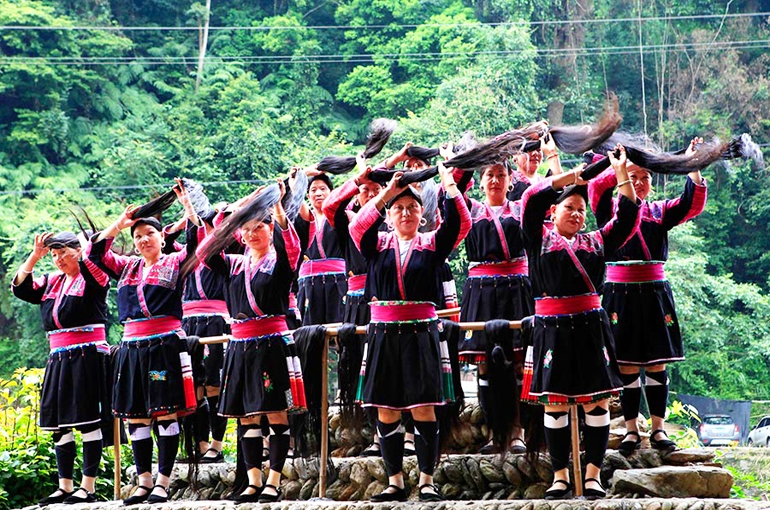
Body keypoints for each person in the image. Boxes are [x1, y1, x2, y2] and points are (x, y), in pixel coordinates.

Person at [350, 148, 471, 502]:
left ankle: (428, 481)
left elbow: (460, 223)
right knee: (386, 409)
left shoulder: (433, 245)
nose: (405, 213)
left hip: (420, 335)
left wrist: (447, 179)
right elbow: (358, 225)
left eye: (412, 207)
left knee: (423, 407)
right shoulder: (377, 246)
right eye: (398, 208)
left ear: (423, 214)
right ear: (389, 216)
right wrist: (388, 191)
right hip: (384, 335)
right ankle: (395, 482)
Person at [520, 145, 640, 500]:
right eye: (569, 208)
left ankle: (592, 477)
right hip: (551, 330)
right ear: (554, 211)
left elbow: (628, 218)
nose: (575, 214)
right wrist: (577, 178)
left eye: (580, 210)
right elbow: (530, 198)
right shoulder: (537, 237)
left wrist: (621, 175)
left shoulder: (596, 241)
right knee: (555, 404)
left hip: (590, 328)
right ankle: (559, 476)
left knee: (597, 404)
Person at [588, 137, 707, 456]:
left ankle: (657, 429)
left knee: (656, 365)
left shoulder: (660, 212)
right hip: (619, 293)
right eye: (634, 176)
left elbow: (691, 205)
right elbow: (596, 189)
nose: (639, 183)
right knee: (626, 365)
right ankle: (630, 429)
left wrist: (691, 166)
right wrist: (621, 168)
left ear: (652, 183)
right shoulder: (610, 210)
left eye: (645, 177)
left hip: (654, 294)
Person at [88, 179, 200, 505]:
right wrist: (121, 223)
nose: (143, 241)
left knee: (164, 413)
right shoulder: (126, 267)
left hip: (162, 350)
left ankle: (164, 482)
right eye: (137, 237)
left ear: (162, 236)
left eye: (149, 234)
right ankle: (144, 482)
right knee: (135, 416)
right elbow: (96, 251)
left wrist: (187, 205)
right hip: (132, 352)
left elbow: (196, 241)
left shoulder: (175, 262)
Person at [198, 180, 306, 503]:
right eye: (246, 229)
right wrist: (236, 212)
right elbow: (205, 251)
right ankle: (253, 481)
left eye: (259, 227)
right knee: (246, 416)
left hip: (271, 342)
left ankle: (273, 481)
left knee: (274, 413)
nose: (251, 234)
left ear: (270, 231)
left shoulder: (280, 262)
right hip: (240, 346)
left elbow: (293, 248)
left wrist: (276, 208)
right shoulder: (234, 264)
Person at [11, 231, 111, 505]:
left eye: (63, 253)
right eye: (53, 255)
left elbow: (97, 273)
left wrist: (87, 252)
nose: (58, 260)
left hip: (87, 356)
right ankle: (65, 485)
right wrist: (35, 256)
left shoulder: (92, 279)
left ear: (78, 251)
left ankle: (87, 487)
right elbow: (21, 287)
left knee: (88, 419)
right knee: (58, 425)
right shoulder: (52, 283)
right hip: (58, 358)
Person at [458, 156, 534, 454]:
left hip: (516, 288)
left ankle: (517, 432)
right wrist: (465, 156)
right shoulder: (471, 211)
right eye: (489, 174)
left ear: (509, 180)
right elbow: (447, 193)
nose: (494, 180)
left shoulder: (521, 208)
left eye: (500, 174)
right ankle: (494, 433)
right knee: (485, 365)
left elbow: (540, 192)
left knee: (517, 363)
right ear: (480, 180)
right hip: (482, 292)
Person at [167, 210, 231, 464]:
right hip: (188, 324)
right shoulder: (182, 259)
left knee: (214, 385)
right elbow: (167, 238)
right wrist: (187, 215)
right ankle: (200, 445)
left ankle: (216, 445)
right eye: (196, 231)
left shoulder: (221, 255)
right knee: (193, 388)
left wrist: (206, 217)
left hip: (215, 322)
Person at [295, 172, 347, 325]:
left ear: (331, 192)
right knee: (310, 332)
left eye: (323, 189)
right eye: (313, 190)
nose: (318, 193)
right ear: (307, 195)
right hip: (308, 284)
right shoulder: (301, 220)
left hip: (337, 282)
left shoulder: (341, 217)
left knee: (338, 328)